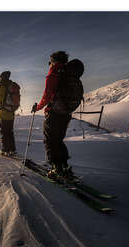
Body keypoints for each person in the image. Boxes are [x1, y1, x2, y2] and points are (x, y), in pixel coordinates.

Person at [31, 50, 74, 179]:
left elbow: (46, 97)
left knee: (49, 141)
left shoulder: (53, 75)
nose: (49, 64)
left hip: (54, 113)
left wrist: (37, 107)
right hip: (66, 113)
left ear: (54, 62)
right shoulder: (69, 74)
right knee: (58, 140)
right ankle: (64, 167)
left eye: (50, 62)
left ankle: (56, 168)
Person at [0, 71, 20, 156]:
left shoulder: (1, 88)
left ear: (2, 78)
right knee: (10, 132)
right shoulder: (13, 87)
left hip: (3, 114)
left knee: (4, 132)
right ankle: (12, 150)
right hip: (11, 113)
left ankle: (4, 150)